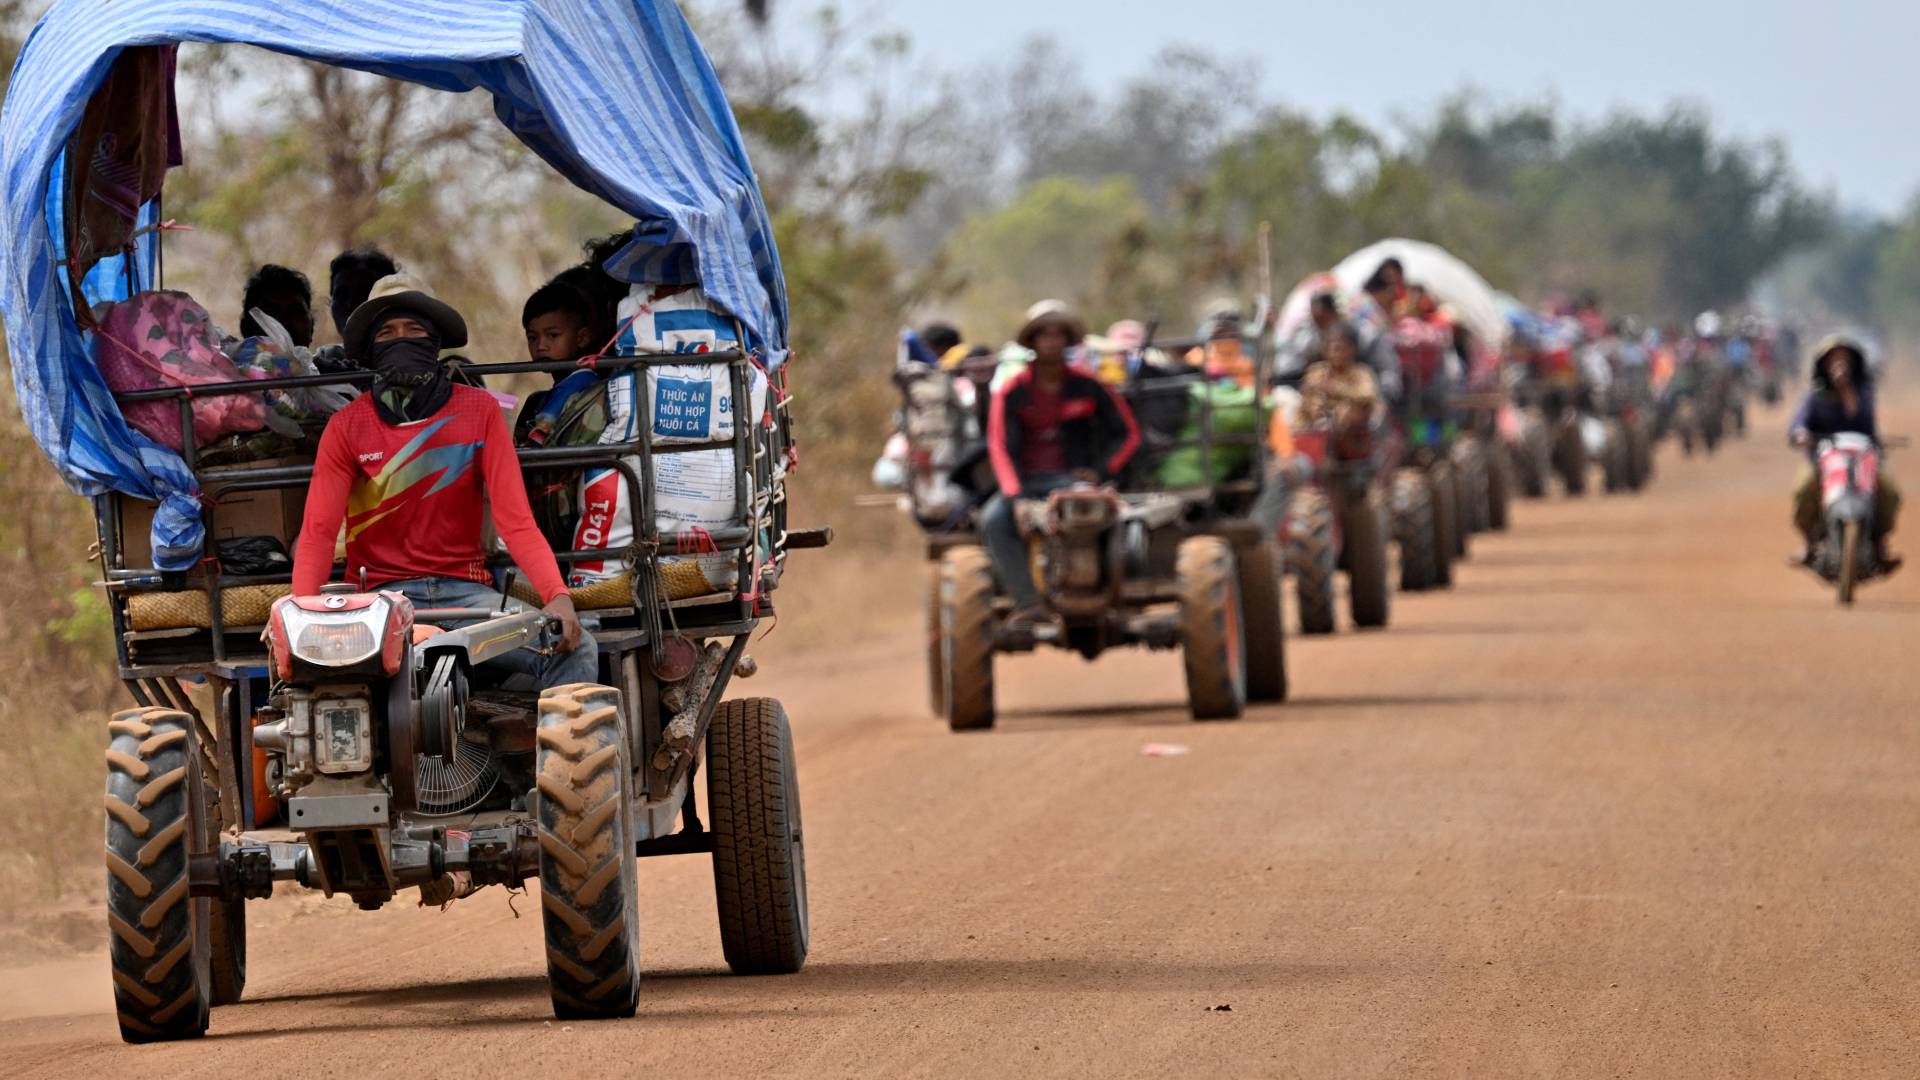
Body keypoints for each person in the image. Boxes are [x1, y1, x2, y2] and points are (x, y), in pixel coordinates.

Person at [291, 274, 593, 691]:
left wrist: (556, 595)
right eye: (388, 332)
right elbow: (319, 533)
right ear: (372, 347)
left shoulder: (480, 411)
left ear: (435, 341)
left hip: (470, 596)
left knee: (576, 648)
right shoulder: (347, 427)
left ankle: (544, 752)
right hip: (383, 602)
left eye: (415, 330)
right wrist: (299, 616)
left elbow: (516, 521)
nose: (402, 339)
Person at [984, 304, 1141, 624]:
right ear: (1032, 341)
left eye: (1058, 334)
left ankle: (1117, 591)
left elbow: (1129, 434)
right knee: (992, 522)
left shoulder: (1091, 384)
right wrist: (1016, 499)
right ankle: (1027, 603)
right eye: (1044, 334)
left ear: (1068, 341)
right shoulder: (1012, 391)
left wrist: (1101, 471)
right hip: (1026, 483)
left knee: (1120, 521)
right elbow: (998, 446)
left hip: (1075, 480)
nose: (1051, 341)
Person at [1788, 337, 1901, 565]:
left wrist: (1846, 391)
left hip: (1863, 459)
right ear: (1825, 366)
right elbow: (1799, 422)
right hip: (1824, 461)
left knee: (1890, 493)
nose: (1839, 366)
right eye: (1834, 361)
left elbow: (1865, 422)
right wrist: (1801, 434)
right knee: (1802, 491)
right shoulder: (1815, 396)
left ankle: (1878, 544)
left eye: (1844, 361)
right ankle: (1810, 544)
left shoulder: (1863, 394)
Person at [515, 282, 602, 445]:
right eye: (532, 338)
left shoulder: (576, 384)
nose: (541, 346)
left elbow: (540, 436)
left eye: (553, 335)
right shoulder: (567, 384)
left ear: (582, 338)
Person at [1296, 324, 1381, 432]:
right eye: (1331, 349)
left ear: (1351, 350)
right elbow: (1306, 400)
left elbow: (1368, 394)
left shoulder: (1361, 373)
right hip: (1317, 429)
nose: (1335, 354)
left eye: (1340, 349)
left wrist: (1337, 389)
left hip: (1351, 434)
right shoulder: (1317, 372)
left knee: (1348, 410)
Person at [240, 264, 316, 347]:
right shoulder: (226, 358)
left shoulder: (326, 358)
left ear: (311, 326)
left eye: (296, 311)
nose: (285, 321)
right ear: (246, 328)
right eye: (271, 312)